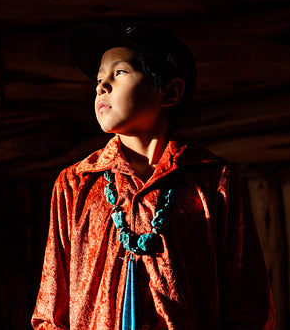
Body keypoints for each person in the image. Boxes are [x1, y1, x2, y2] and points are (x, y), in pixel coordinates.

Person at [31, 23, 275, 330]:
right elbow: (50, 312)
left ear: (170, 91)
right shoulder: (76, 184)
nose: (101, 86)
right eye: (99, 78)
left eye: (119, 73)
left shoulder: (214, 182)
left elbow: (248, 308)